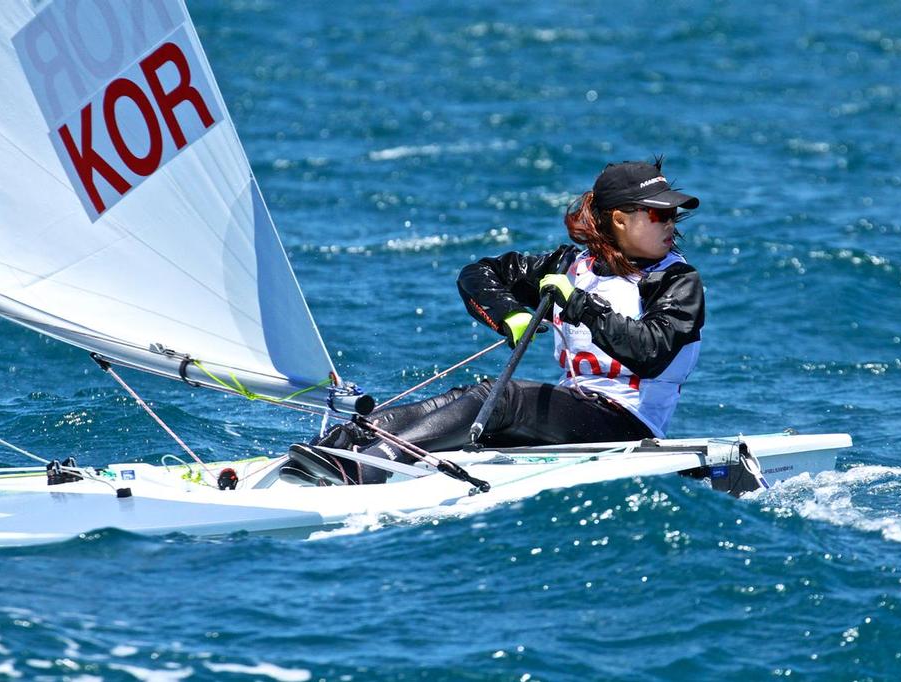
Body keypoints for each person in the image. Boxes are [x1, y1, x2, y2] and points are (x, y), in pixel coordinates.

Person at [282, 157, 704, 485]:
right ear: (619, 219)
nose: (670, 223)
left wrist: (580, 306)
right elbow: (477, 275)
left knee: (500, 400)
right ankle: (338, 447)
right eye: (657, 214)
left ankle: (368, 465)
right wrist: (512, 315)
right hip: (575, 415)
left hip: (629, 425)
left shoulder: (675, 280)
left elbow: (650, 352)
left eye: (672, 215)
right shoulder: (570, 264)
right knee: (465, 398)